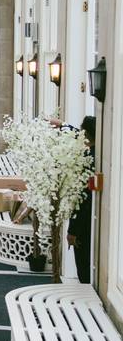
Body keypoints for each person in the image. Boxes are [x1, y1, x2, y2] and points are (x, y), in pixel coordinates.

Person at [67, 116, 96, 284]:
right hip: (91, 221)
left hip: (83, 224)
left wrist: (72, 231)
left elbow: (81, 199)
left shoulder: (86, 160)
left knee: (83, 266)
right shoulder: (98, 154)